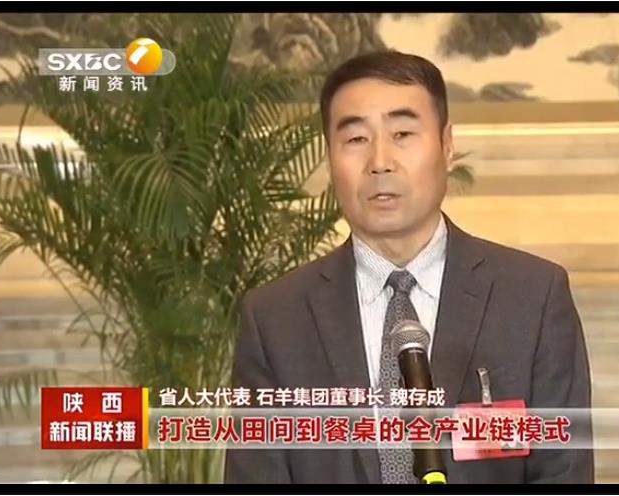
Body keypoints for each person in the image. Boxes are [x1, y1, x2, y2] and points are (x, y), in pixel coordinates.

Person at [224, 50, 594, 484]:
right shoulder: (275, 319)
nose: (380, 161)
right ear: (329, 158)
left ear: (447, 145)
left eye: (402, 133)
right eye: (356, 139)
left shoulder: (532, 296)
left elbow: (563, 473)